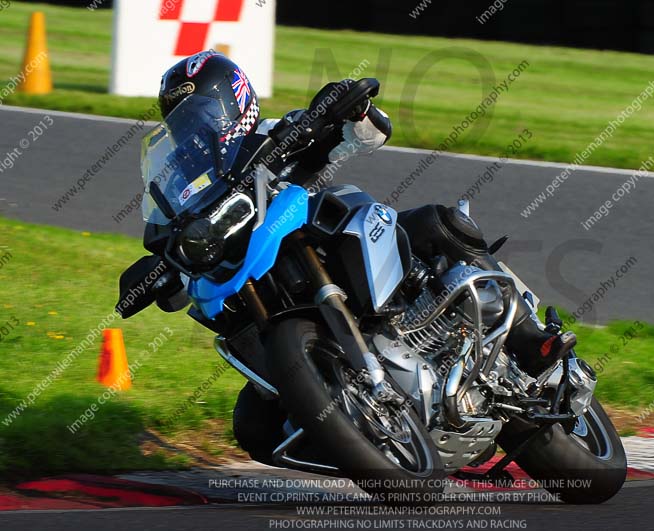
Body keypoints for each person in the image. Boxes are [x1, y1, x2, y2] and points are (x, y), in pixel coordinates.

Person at [157, 50, 576, 379]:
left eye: (204, 113)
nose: (197, 127)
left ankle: (530, 338)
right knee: (253, 425)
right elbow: (163, 231)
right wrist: (155, 270)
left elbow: (373, 132)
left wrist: (347, 110)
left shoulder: (277, 130)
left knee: (439, 223)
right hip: (265, 277)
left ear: (235, 100)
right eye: (185, 121)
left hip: (330, 237)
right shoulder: (184, 181)